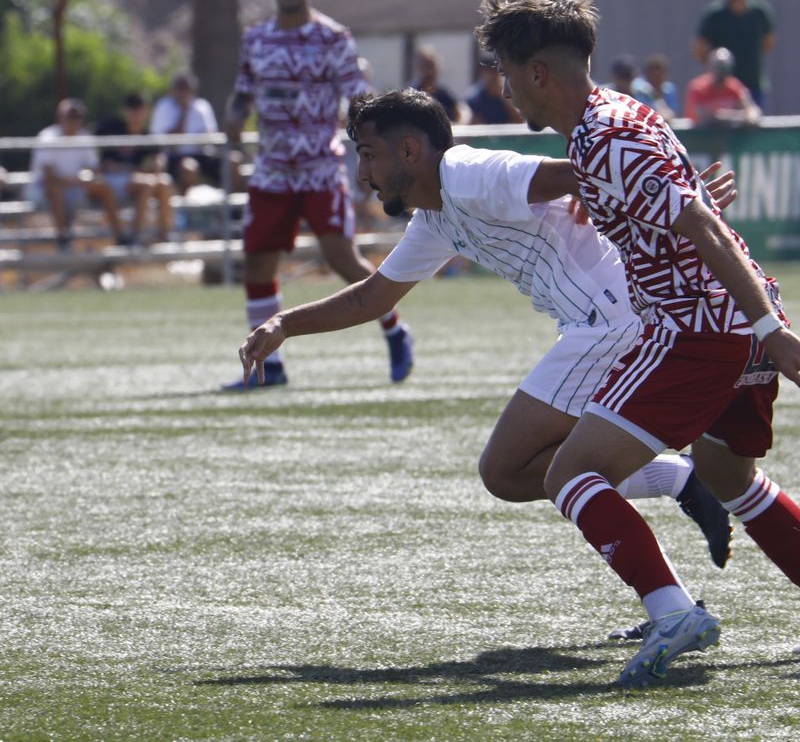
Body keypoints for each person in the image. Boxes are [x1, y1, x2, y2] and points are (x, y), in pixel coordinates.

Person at [477, 0, 800, 687]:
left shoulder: (604, 135)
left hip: (699, 332)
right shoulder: (617, 119)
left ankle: (673, 612)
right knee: (729, 478)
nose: (504, 91)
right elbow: (684, 212)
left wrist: (769, 330)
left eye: (508, 75)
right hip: (732, 324)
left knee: (571, 472)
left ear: (539, 73)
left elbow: (702, 228)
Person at [239, 88, 737, 575]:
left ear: (409, 150)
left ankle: (671, 588)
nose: (361, 173)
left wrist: (682, 197)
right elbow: (373, 296)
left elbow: (589, 171)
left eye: (368, 155)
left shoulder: (468, 173)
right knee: (545, 471)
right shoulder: (435, 217)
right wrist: (285, 323)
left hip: (611, 323)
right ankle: (678, 530)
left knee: (510, 469)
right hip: (603, 324)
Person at [223, 0, 413, 391]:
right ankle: (270, 367)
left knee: (341, 259)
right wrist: (232, 119)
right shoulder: (256, 38)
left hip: (318, 169)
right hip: (270, 170)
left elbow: (359, 97)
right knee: (257, 265)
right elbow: (242, 95)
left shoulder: (332, 38)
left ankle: (394, 329)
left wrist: (373, 153)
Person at [28, 98, 129, 250]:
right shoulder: (47, 137)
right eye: (70, 116)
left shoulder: (84, 137)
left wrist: (90, 177)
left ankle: (121, 237)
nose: (74, 121)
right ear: (60, 118)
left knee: (103, 187)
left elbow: (94, 169)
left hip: (74, 187)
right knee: (54, 189)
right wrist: (77, 182)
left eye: (77, 117)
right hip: (44, 191)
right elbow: (48, 177)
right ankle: (63, 239)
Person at [96, 92, 175, 245]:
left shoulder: (148, 136)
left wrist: (157, 165)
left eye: (140, 109)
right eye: (133, 108)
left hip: (139, 180)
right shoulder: (111, 128)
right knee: (147, 183)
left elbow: (159, 159)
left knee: (164, 182)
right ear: (125, 110)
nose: (136, 113)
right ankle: (135, 237)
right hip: (112, 181)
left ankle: (165, 235)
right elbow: (102, 162)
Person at [695, 0, 776, 109]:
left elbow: (768, 43)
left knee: (752, 124)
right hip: (722, 90)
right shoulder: (715, 15)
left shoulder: (759, 12)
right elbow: (699, 48)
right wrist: (715, 67)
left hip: (753, 84)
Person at [150, 73, 224, 193]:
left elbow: (211, 135)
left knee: (233, 161)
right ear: (173, 90)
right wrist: (184, 113)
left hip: (202, 154)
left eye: (187, 89)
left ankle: (234, 210)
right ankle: (185, 209)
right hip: (173, 157)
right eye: (180, 89)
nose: (184, 93)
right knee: (188, 167)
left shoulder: (202, 106)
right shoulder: (164, 106)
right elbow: (167, 142)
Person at [684, 48, 761, 128]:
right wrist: (737, 116)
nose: (721, 73)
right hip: (700, 138)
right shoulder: (698, 88)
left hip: (729, 138)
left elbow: (752, 112)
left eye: (724, 68)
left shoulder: (734, 87)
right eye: (718, 68)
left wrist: (726, 116)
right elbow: (703, 116)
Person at [463, 55, 522, 126]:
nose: (491, 76)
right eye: (488, 72)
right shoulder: (474, 97)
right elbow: (472, 124)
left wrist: (505, 98)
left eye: (494, 72)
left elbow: (520, 121)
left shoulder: (509, 92)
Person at [410, 45, 462, 123]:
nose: (429, 71)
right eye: (425, 66)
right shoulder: (410, 95)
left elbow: (460, 113)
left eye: (431, 66)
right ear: (418, 67)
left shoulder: (443, 95)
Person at [642, 54, 679, 120]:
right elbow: (645, 113)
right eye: (654, 74)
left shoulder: (670, 89)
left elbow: (673, 111)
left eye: (660, 74)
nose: (658, 78)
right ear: (647, 73)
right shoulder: (640, 89)